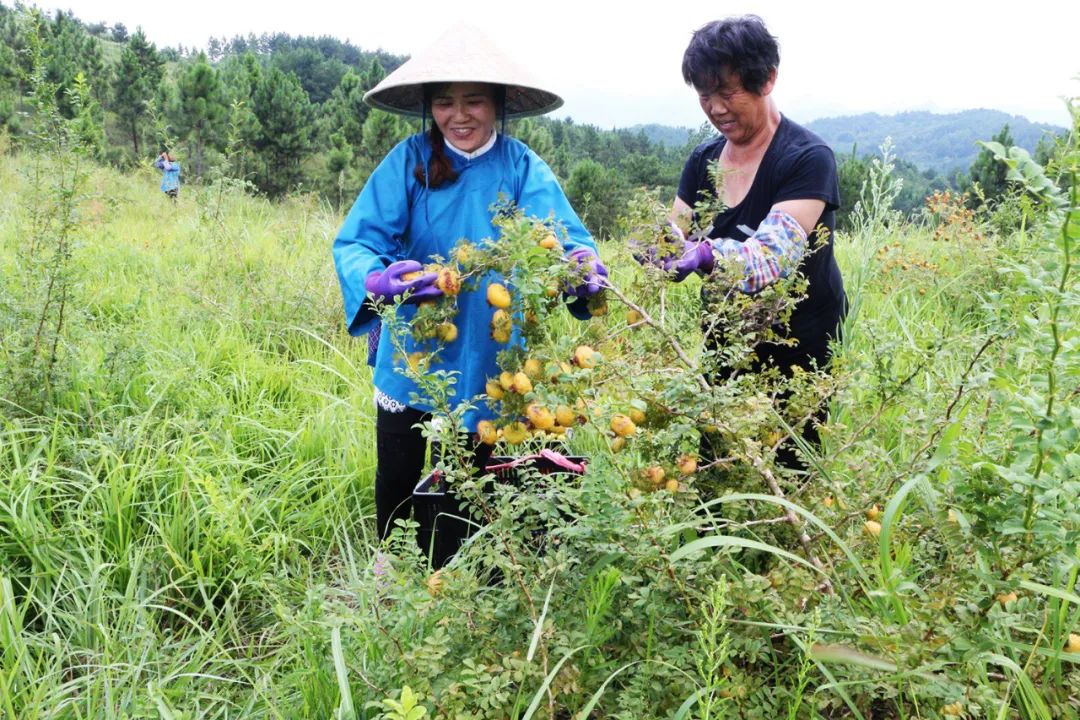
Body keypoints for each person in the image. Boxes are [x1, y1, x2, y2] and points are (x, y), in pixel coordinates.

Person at [332, 26, 605, 548]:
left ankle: (455, 575)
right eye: (444, 102)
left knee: (472, 476)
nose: (459, 115)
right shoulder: (409, 162)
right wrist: (378, 279)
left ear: (498, 103)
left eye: (474, 101)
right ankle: (392, 564)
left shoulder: (522, 166)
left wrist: (581, 267)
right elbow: (357, 240)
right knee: (398, 471)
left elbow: (567, 239)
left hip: (492, 349)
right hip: (418, 341)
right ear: (428, 106)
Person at [654, 15, 846, 463]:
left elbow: (767, 260)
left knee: (788, 466)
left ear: (768, 80)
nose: (716, 107)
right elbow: (672, 232)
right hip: (727, 336)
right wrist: (655, 249)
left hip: (799, 344)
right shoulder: (703, 161)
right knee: (718, 460)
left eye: (727, 92)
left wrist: (703, 255)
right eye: (704, 94)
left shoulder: (807, 158)